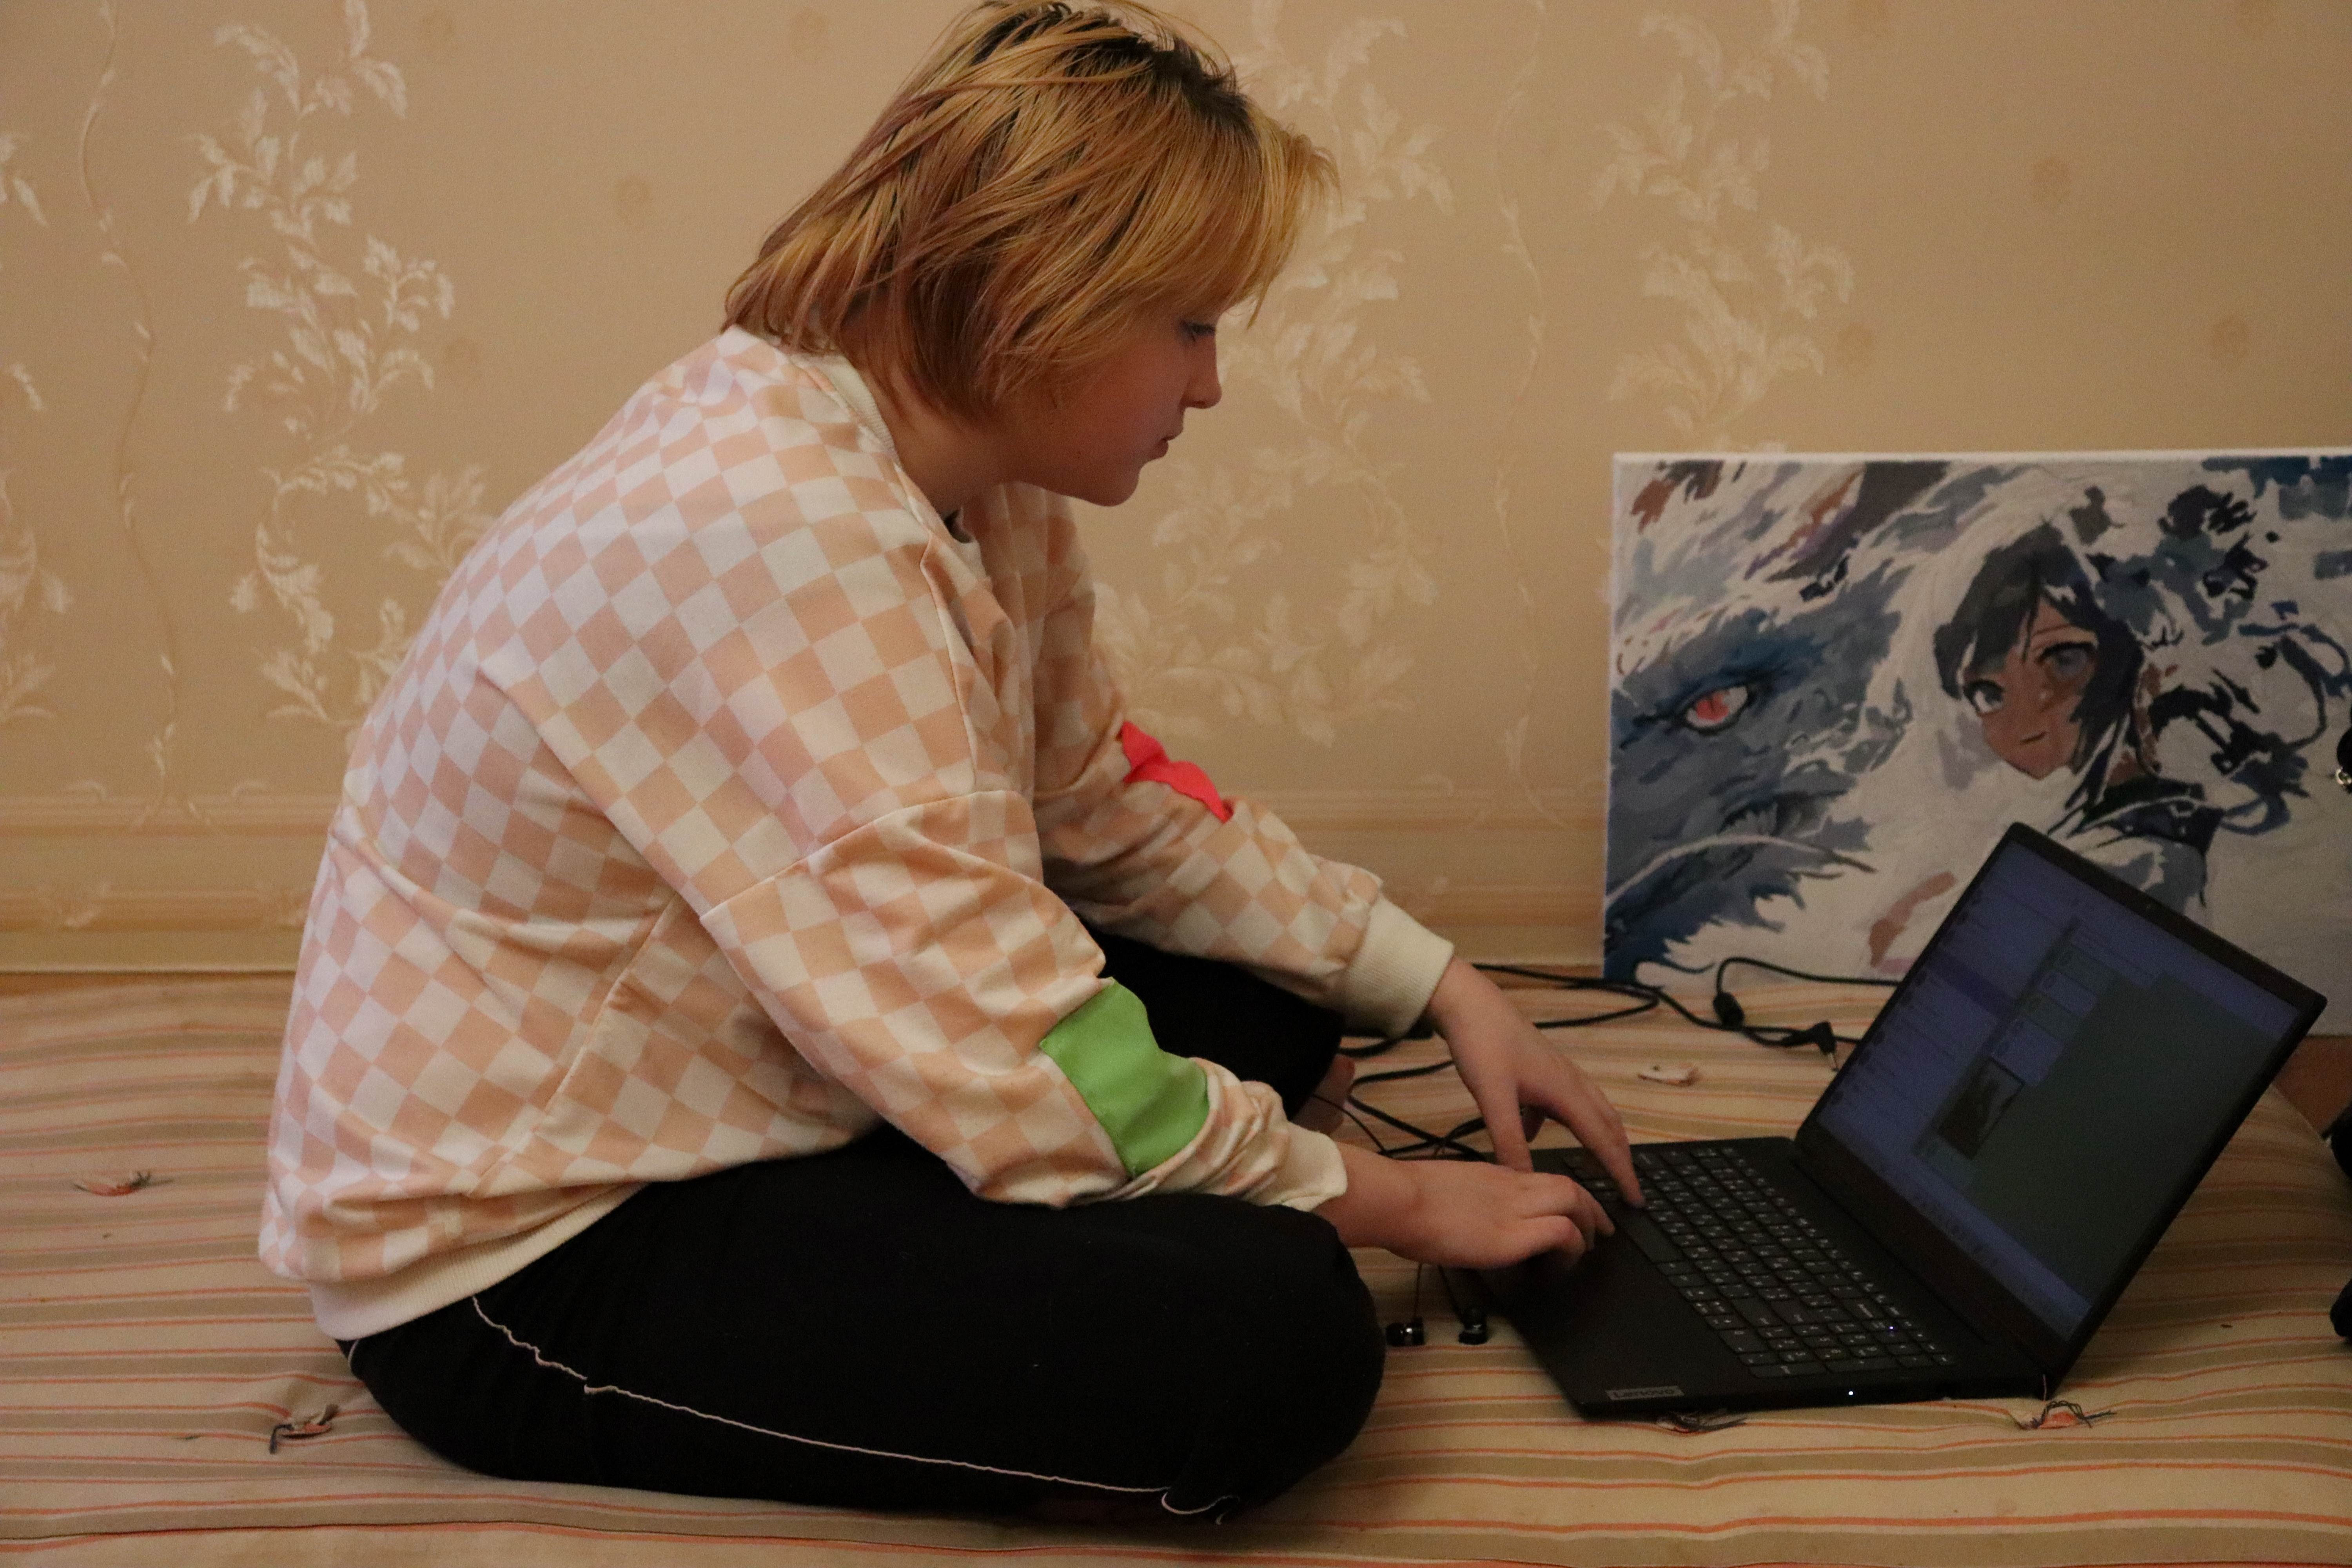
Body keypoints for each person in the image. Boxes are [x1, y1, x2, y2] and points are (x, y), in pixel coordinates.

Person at [260, 0, 1641, 1522]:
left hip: (757, 1061)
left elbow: (1097, 806)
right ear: (1040, 300)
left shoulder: (968, 469)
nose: (1212, 384)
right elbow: (1003, 1034)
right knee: (1277, 1339)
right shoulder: (778, 531)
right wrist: (1392, 1199)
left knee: (1269, 1008)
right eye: (1190, 323)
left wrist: (1441, 981)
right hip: (531, 1247)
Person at [1931, 523, 2218, 907]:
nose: (2028, 722)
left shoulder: (2146, 862)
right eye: (1990, 694)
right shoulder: (2055, 841)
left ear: (2141, 666)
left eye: (2065, 662)